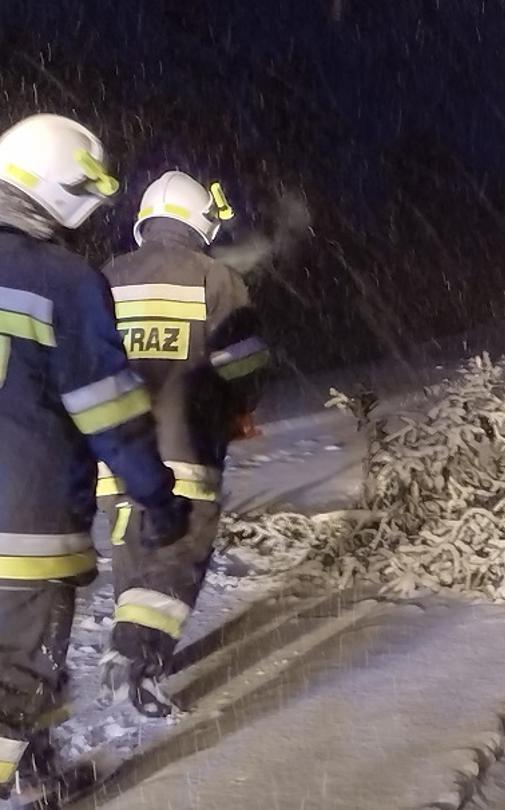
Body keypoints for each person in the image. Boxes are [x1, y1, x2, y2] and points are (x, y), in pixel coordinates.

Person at [0, 114, 188, 800]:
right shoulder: (62, 280)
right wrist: (157, 497)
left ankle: (37, 776)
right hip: (26, 524)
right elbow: (108, 412)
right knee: (20, 678)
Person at [95, 171, 267, 720]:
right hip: (184, 449)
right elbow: (243, 362)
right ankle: (137, 659)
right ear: (200, 222)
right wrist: (240, 406)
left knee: (133, 553)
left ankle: (133, 648)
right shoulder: (215, 278)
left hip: (115, 455)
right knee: (176, 558)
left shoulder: (107, 276)